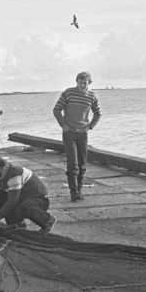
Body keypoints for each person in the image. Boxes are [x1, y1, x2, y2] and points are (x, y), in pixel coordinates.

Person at [53, 71, 101, 201]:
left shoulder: (92, 96)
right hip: (69, 132)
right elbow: (56, 109)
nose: (82, 85)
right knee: (72, 163)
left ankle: (79, 189)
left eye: (85, 83)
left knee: (82, 164)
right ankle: (73, 192)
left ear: (89, 83)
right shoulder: (68, 93)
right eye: (80, 83)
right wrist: (63, 125)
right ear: (77, 82)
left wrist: (90, 126)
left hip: (83, 133)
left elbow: (98, 113)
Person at [0, 155, 56, 233]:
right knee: (0, 195)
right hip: (24, 197)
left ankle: (47, 220)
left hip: (40, 200)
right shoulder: (4, 174)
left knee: (24, 207)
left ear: (0, 168)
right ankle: (17, 224)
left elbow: (13, 200)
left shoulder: (14, 174)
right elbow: (6, 198)